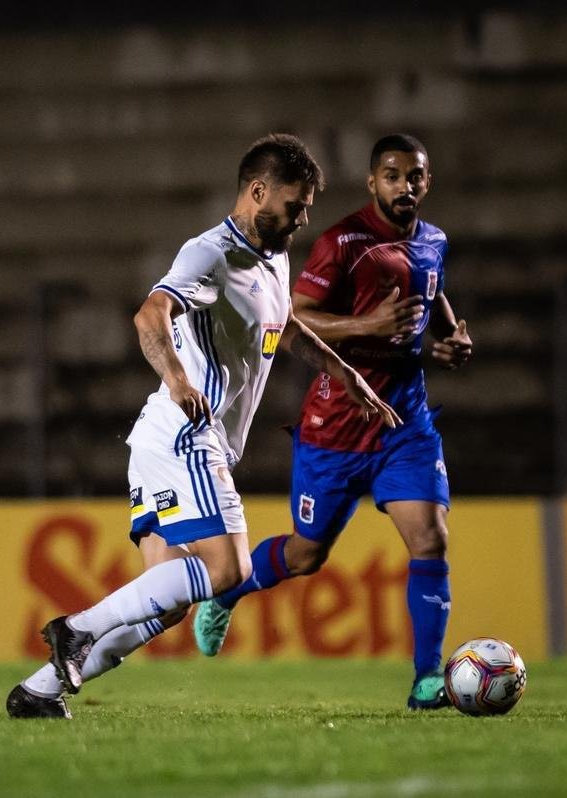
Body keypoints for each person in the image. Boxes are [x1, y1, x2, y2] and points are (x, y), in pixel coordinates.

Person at [6, 134, 401, 719]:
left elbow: (282, 325)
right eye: (296, 205)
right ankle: (77, 629)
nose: (304, 216)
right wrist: (177, 378)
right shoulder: (210, 252)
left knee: (166, 604)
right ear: (258, 191)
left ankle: (39, 690)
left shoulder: (272, 255)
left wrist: (341, 370)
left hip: (164, 439)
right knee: (228, 568)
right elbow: (150, 313)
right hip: (185, 431)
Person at [191, 133, 472, 710]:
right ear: (373, 183)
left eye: (414, 176)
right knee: (305, 555)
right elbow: (297, 317)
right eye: (392, 176)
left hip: (403, 422)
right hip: (336, 427)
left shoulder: (435, 241)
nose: (404, 186)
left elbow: (433, 294)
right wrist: (368, 325)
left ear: (428, 181)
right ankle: (229, 590)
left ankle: (425, 681)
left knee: (430, 539)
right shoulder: (343, 242)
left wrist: (449, 339)